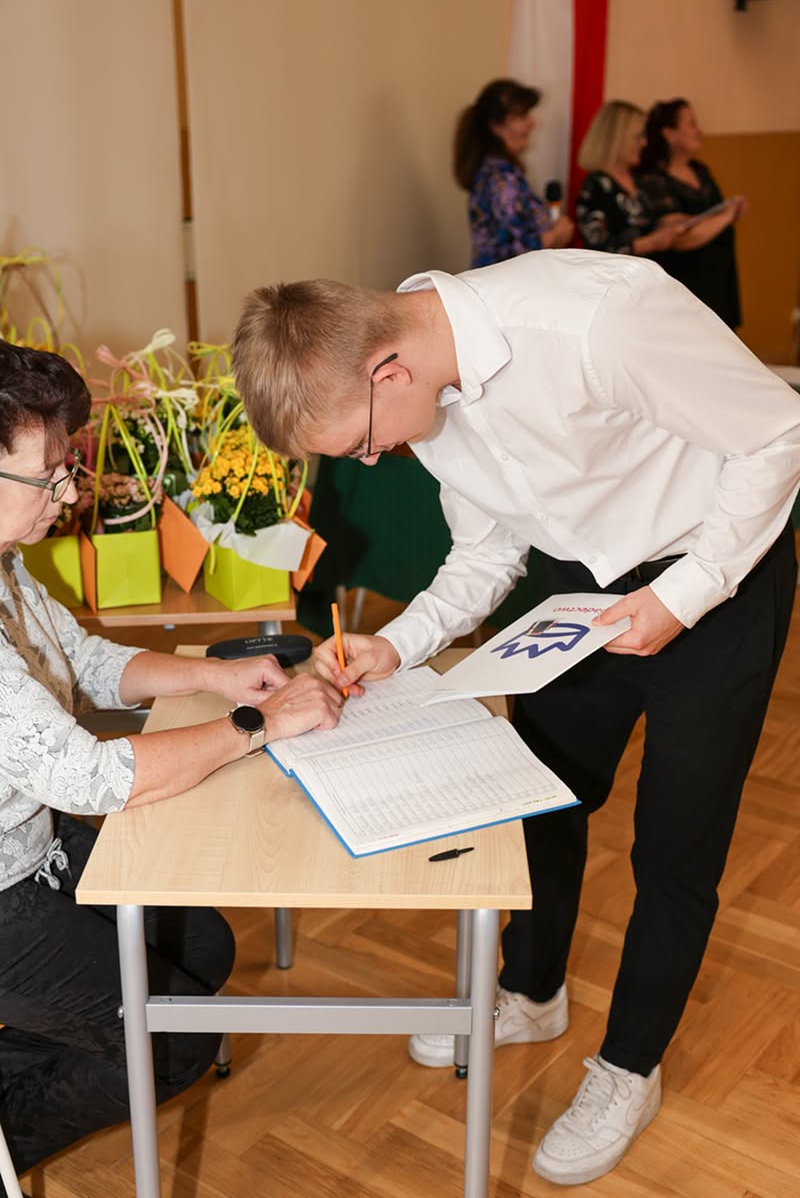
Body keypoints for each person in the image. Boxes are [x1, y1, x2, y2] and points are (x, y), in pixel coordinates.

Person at [231, 251, 799, 1187]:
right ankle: (532, 992)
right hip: (579, 587)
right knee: (541, 800)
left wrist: (685, 594)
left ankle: (629, 1068)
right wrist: (397, 645)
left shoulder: (597, 320)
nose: (374, 458)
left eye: (364, 443)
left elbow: (779, 434)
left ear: (388, 372)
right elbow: (487, 550)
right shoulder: (424, 387)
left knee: (676, 848)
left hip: (715, 575)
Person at [0, 340, 343, 1192]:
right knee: (177, 1037)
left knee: (202, 946)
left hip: (32, 854)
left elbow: (81, 659)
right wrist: (257, 723)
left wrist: (216, 677)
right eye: (49, 476)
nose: (69, 493)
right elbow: (90, 777)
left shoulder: (5, 565)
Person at [636, 98, 744, 328]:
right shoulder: (654, 179)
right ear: (669, 134)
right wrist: (727, 215)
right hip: (686, 285)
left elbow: (712, 217)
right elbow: (682, 237)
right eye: (691, 124)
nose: (699, 131)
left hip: (719, 282)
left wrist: (728, 213)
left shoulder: (700, 171)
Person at [454, 78, 574, 267]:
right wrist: (555, 235)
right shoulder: (501, 177)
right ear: (496, 126)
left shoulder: (497, 171)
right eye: (522, 116)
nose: (532, 123)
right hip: (502, 282)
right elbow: (510, 252)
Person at [575, 100, 682, 257]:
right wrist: (651, 243)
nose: (644, 143)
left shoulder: (639, 179)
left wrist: (666, 223)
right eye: (638, 136)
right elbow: (599, 250)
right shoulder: (596, 186)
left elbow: (646, 223)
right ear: (617, 139)